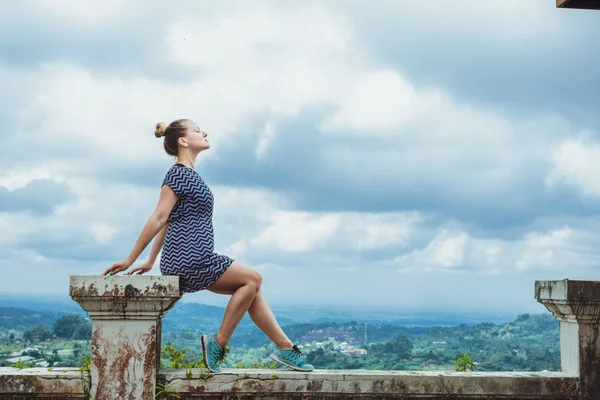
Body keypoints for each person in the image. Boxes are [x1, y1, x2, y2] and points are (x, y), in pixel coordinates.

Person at [102, 119, 313, 373]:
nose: (204, 132)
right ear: (183, 141)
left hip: (193, 257)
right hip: (192, 258)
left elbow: (168, 221)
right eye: (197, 130)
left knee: (251, 288)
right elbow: (158, 217)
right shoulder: (178, 173)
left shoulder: (189, 175)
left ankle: (286, 349)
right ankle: (219, 343)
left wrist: (150, 261)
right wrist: (130, 258)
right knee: (253, 278)